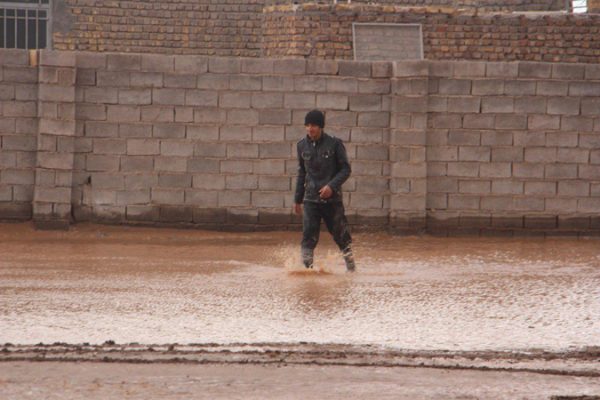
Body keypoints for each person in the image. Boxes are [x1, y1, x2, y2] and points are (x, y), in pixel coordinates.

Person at [294, 109, 356, 272]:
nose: (310, 128)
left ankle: (351, 270)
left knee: (341, 236)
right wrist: (297, 199)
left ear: (320, 126)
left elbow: (345, 169)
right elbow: (302, 172)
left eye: (313, 125)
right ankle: (308, 273)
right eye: (307, 125)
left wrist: (331, 186)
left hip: (332, 201)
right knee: (308, 238)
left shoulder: (335, 144)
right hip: (310, 200)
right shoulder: (301, 145)